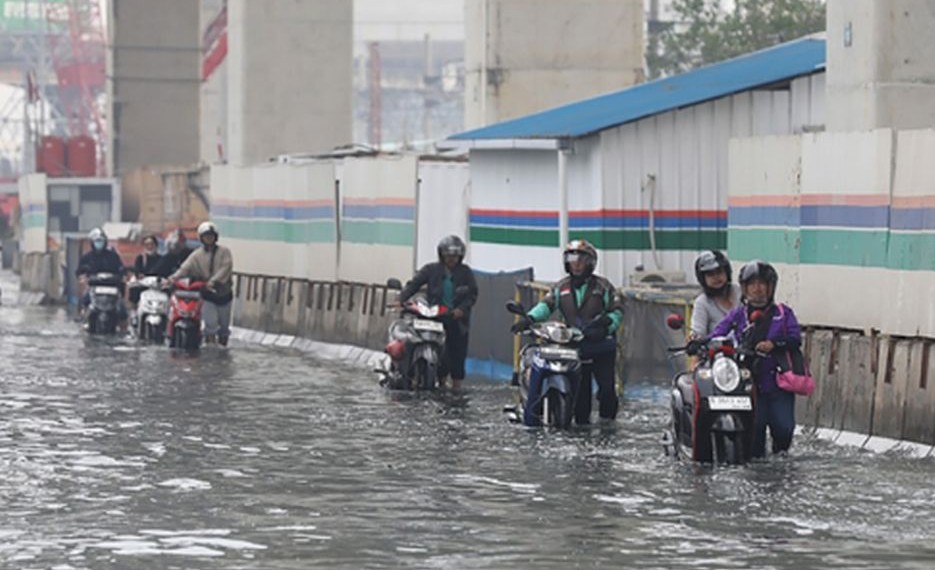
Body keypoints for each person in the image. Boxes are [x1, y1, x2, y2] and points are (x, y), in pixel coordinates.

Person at [512, 239, 624, 425]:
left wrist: (606, 326)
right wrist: (529, 319)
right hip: (574, 346)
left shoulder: (603, 286)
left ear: (591, 262)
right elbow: (546, 306)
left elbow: (617, 311)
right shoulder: (560, 287)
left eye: (581, 259)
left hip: (601, 345)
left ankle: (607, 427)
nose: (576, 264)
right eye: (572, 259)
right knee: (581, 398)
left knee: (607, 391)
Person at [709, 260, 802, 458]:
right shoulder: (737, 314)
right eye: (752, 285)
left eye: (762, 284)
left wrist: (774, 345)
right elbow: (718, 334)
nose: (757, 289)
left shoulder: (784, 314)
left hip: (779, 384)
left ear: (771, 287)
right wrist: (699, 341)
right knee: (754, 435)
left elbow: (795, 339)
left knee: (784, 431)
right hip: (749, 384)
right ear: (744, 288)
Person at [397, 235, 479, 391]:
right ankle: (412, 373)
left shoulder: (466, 273)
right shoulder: (431, 270)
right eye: (448, 256)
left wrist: (461, 310)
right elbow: (414, 284)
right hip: (434, 316)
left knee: (457, 353)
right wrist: (401, 299)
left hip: (456, 320)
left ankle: (456, 386)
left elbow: (472, 295)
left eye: (455, 256)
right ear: (442, 255)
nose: (451, 260)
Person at [170, 221, 234, 346]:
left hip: (224, 293)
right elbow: (185, 268)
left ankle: (223, 349)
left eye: (211, 236)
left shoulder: (225, 252)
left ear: (216, 237)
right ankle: (210, 350)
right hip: (207, 294)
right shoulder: (196, 255)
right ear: (201, 238)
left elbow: (226, 268)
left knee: (224, 328)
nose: (208, 239)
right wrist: (173, 278)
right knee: (211, 324)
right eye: (206, 236)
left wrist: (213, 281)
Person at [75, 227, 127, 325]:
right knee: (85, 301)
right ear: (92, 242)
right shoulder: (87, 257)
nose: (99, 243)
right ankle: (84, 321)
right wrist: (82, 276)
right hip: (94, 288)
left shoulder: (113, 256)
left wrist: (123, 275)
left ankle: (124, 329)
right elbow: (79, 271)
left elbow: (121, 268)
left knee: (122, 310)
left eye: (101, 241)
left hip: (112, 288)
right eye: (97, 241)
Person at [690, 250, 741, 339]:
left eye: (719, 272)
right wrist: (694, 338)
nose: (716, 277)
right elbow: (698, 331)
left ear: (727, 272)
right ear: (703, 278)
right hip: (717, 351)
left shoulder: (739, 291)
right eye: (710, 274)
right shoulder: (702, 302)